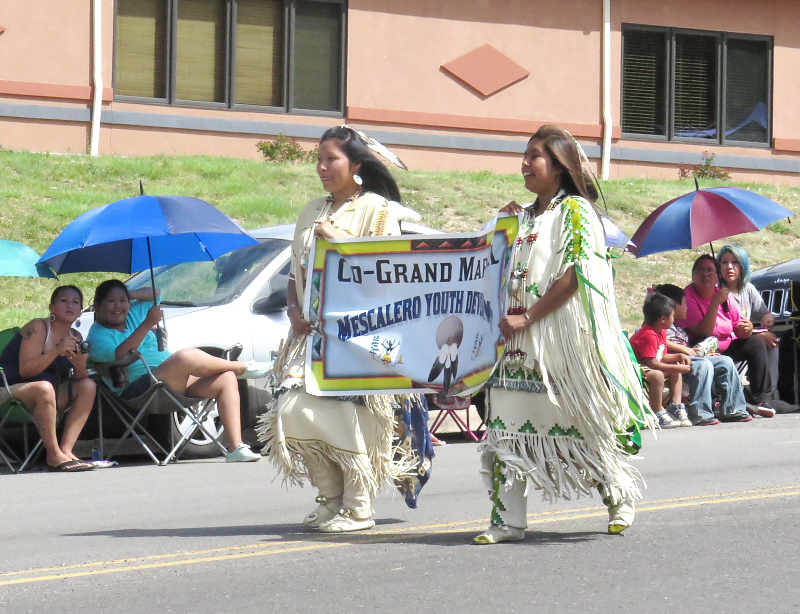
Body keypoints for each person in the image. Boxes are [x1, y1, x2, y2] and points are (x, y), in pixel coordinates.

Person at [474, 125, 652, 545]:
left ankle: (618, 496)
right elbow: (486, 266)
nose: (524, 164)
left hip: (560, 343)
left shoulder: (576, 211)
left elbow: (578, 273)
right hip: (515, 345)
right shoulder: (519, 215)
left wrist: (530, 316)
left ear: (558, 166)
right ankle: (507, 521)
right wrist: (501, 227)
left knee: (584, 427)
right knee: (506, 430)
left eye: (534, 156)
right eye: (524, 155)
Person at [256, 126, 433, 534]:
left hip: (361, 337)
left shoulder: (377, 209)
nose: (322, 168)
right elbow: (294, 274)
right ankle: (330, 496)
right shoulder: (311, 211)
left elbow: (384, 272)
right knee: (291, 410)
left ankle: (358, 507)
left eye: (331, 159)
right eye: (318, 160)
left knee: (351, 418)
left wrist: (335, 237)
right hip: (312, 337)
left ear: (356, 164)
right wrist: (294, 309)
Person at [88, 280, 269, 462]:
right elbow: (121, 354)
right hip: (140, 388)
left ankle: (235, 447)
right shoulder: (97, 335)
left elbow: (156, 293)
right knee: (184, 357)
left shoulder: (131, 315)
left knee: (226, 378)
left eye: (122, 301)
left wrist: (127, 294)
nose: (118, 307)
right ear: (98, 305)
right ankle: (241, 367)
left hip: (169, 381)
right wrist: (147, 324)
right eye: (111, 301)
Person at [0, 285, 96, 471]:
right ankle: (53, 454)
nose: (70, 305)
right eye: (63, 301)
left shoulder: (76, 336)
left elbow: (80, 377)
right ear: (51, 307)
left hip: (48, 396)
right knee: (44, 388)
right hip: (10, 390)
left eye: (75, 302)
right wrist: (57, 351)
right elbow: (26, 371)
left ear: (80, 311)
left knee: (88, 385)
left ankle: (66, 450)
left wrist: (79, 364)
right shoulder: (38, 327)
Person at [676, 254, 776, 418]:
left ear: (718, 276)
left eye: (710, 270)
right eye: (700, 270)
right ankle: (718, 400)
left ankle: (762, 400)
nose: (705, 274)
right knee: (704, 340)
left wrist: (748, 328)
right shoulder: (688, 297)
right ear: (693, 275)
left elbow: (739, 326)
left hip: (727, 345)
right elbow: (703, 331)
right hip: (701, 349)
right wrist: (715, 303)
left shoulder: (724, 295)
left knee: (756, 343)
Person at [654, 284, 752, 425]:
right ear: (673, 306)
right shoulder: (660, 323)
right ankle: (700, 412)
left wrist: (701, 353)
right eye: (685, 304)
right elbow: (656, 340)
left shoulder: (679, 327)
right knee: (703, 365)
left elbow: (690, 350)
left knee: (725, 361)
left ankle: (732, 408)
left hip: (688, 358)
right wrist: (683, 349)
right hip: (671, 361)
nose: (688, 308)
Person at [717, 245, 798, 413]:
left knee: (772, 340)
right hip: (725, 341)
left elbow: (763, 312)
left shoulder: (747, 288)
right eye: (724, 262)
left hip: (743, 338)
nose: (729, 267)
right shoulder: (718, 291)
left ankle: (769, 395)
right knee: (760, 341)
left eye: (735, 262)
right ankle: (762, 397)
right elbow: (725, 328)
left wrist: (767, 317)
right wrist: (755, 333)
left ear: (743, 266)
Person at [629, 293, 692, 428]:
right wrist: (677, 368)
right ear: (663, 319)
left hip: (649, 365)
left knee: (675, 368)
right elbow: (652, 363)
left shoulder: (660, 331)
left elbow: (660, 356)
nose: (674, 319)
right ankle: (657, 411)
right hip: (638, 369)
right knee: (658, 375)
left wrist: (678, 357)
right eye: (672, 316)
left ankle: (675, 406)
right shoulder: (649, 335)